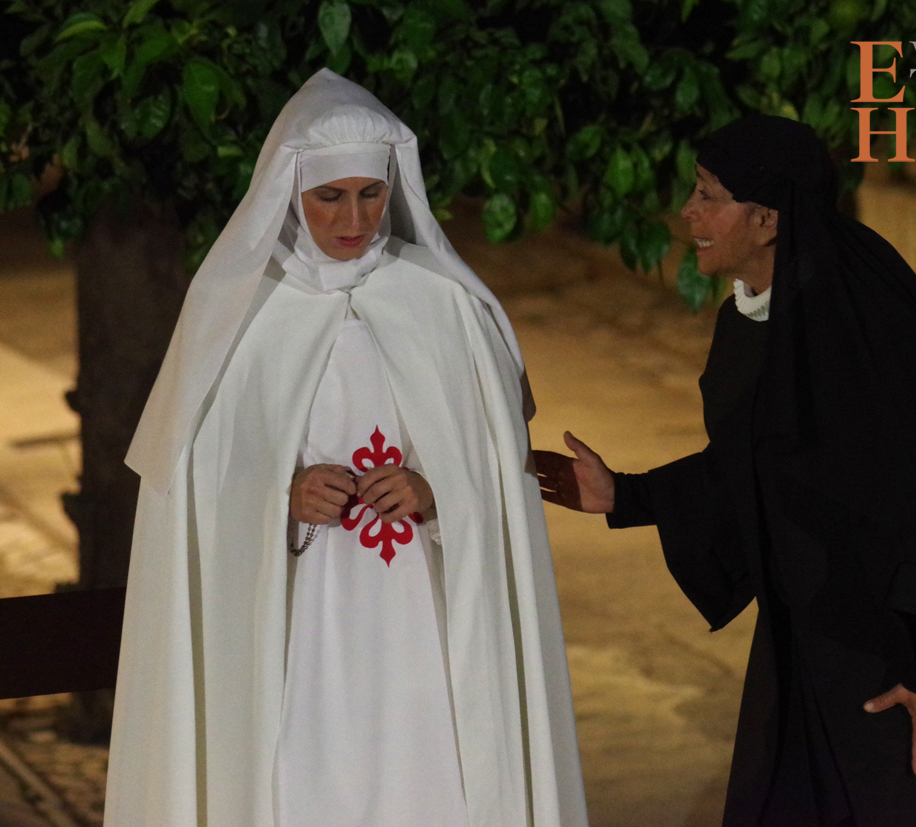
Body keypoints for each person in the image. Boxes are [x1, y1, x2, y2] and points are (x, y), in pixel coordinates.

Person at [535, 115, 916, 827]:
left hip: (902, 661)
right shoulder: (751, 315)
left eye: (708, 196)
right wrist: (627, 496)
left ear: (767, 220)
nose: (689, 212)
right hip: (809, 645)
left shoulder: (862, 318)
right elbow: (757, 466)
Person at [104, 69, 589, 827]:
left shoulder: (444, 303)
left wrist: (435, 489)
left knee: (434, 779)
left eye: (370, 192)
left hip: (422, 612)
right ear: (290, 190)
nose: (353, 217)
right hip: (299, 611)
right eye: (329, 196)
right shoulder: (242, 312)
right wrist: (282, 494)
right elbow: (189, 482)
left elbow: (498, 470)